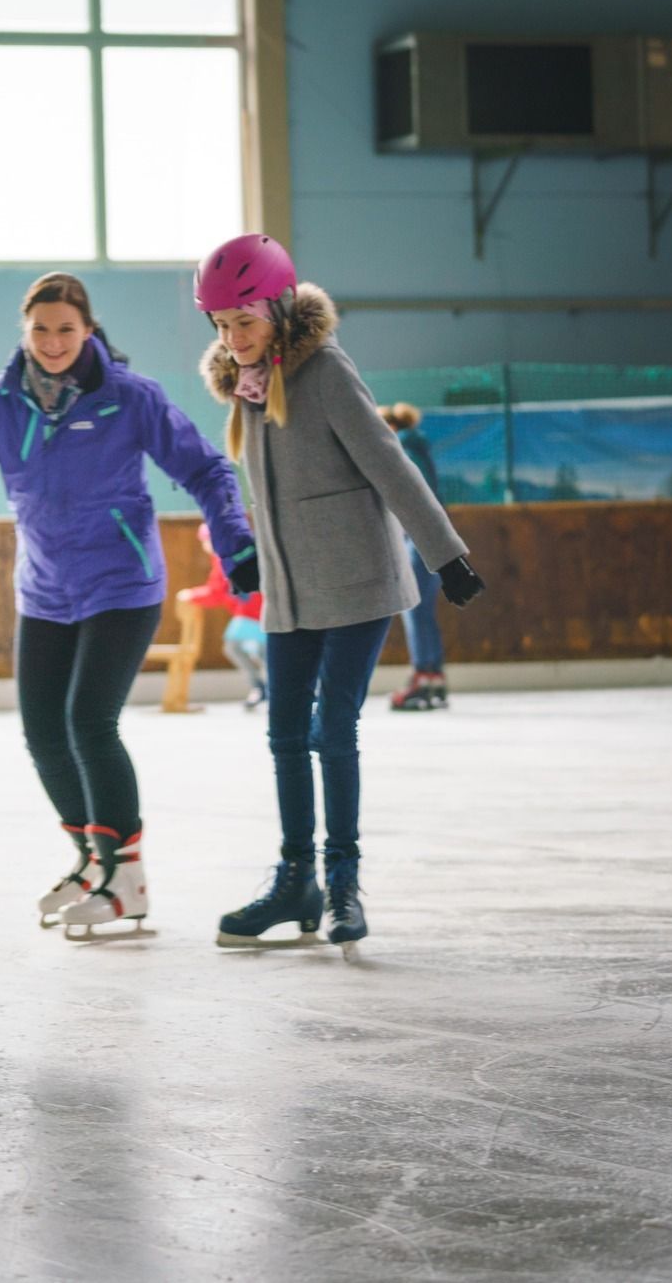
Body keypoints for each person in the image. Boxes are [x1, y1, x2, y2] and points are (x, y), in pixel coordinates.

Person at [0, 272, 254, 934]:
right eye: (40, 329)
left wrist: (235, 544)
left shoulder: (128, 398)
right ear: (25, 332)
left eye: (66, 328)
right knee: (43, 733)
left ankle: (129, 878)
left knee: (89, 722)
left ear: (88, 330)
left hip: (122, 584)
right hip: (45, 590)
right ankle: (94, 862)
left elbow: (206, 468)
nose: (53, 341)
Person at [192, 234, 485, 955]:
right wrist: (250, 559)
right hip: (293, 590)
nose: (234, 339)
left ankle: (342, 881)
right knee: (284, 733)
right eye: (222, 326)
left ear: (280, 307)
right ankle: (297, 882)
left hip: (356, 584)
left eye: (245, 322)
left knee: (332, 729)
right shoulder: (248, 383)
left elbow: (390, 464)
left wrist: (447, 557)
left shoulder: (323, 371)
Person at [380, 404, 450, 711]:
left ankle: (423, 676)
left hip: (418, 541)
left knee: (414, 609)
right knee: (423, 611)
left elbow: (411, 495)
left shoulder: (404, 450)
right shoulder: (417, 447)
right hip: (431, 540)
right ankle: (433, 675)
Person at [178, 523, 267, 709]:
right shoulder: (225, 557)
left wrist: (191, 595)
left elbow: (216, 592)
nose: (206, 544)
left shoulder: (224, 559)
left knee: (238, 646)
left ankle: (262, 687)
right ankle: (263, 687)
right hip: (253, 611)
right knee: (259, 650)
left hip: (252, 612)